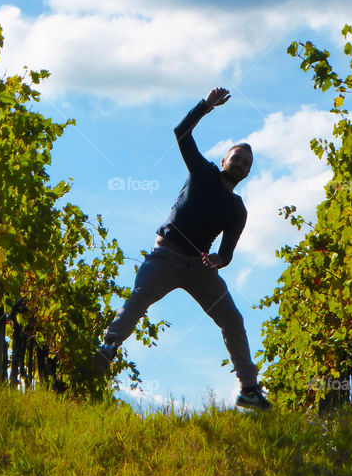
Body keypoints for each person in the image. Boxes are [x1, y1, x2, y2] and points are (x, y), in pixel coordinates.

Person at [93, 88, 271, 410]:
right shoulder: (202, 172)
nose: (241, 164)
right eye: (237, 158)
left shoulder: (237, 209)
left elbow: (227, 253)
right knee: (140, 298)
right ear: (223, 161)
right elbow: (181, 132)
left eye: (247, 163)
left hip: (199, 268)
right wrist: (206, 106)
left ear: (247, 172)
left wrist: (219, 259)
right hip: (166, 256)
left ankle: (248, 389)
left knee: (232, 319)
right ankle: (108, 347)